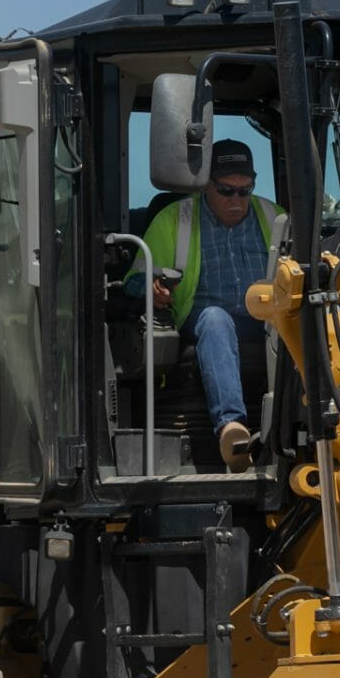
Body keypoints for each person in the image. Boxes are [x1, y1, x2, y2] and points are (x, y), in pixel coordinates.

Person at [137, 139, 282, 469]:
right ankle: (232, 428)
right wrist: (153, 288)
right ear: (205, 186)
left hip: (267, 320)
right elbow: (136, 278)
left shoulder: (275, 217)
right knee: (217, 319)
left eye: (245, 191)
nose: (237, 200)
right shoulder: (174, 219)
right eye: (226, 191)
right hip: (201, 320)